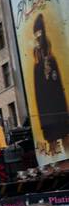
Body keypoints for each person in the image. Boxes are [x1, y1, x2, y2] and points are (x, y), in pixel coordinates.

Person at [32, 13, 69, 151]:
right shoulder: (37, 67)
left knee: (64, 139)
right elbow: (39, 94)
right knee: (54, 143)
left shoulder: (51, 61)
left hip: (58, 113)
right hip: (49, 117)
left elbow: (58, 88)